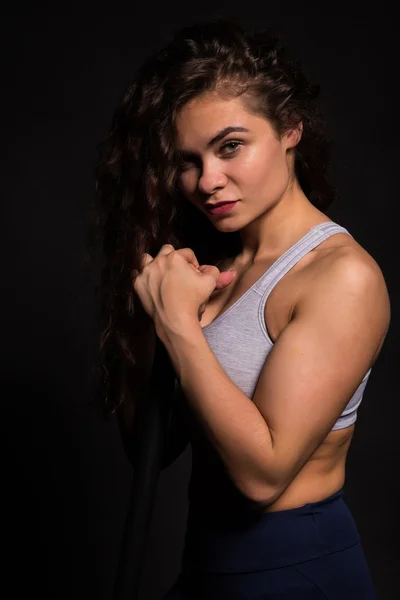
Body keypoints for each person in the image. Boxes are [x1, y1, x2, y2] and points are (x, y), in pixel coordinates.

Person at [89, 17, 390, 599]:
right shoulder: (209, 266)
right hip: (206, 568)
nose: (207, 181)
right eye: (187, 161)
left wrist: (178, 324)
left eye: (230, 146)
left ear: (290, 128)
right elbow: (151, 447)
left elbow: (262, 476)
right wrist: (145, 307)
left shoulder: (340, 276)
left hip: (295, 574)